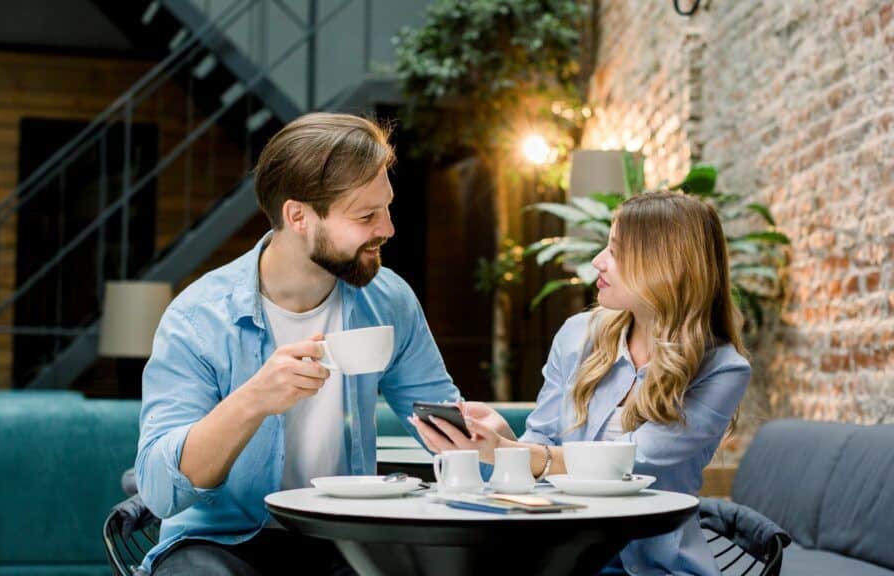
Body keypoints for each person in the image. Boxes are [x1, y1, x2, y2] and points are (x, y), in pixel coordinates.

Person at [135, 113, 464, 575]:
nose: (387, 229)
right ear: (298, 216)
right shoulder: (198, 319)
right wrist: (254, 400)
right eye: (366, 215)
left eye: (386, 208)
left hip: (342, 537)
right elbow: (158, 489)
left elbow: (446, 424)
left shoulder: (388, 300)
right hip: (219, 542)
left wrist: (505, 453)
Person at [411, 191, 751, 576]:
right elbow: (543, 445)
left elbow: (630, 461)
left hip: (653, 565)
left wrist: (508, 450)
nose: (598, 261)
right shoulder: (577, 335)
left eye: (616, 251)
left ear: (664, 265)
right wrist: (500, 437)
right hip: (560, 553)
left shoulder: (722, 369)